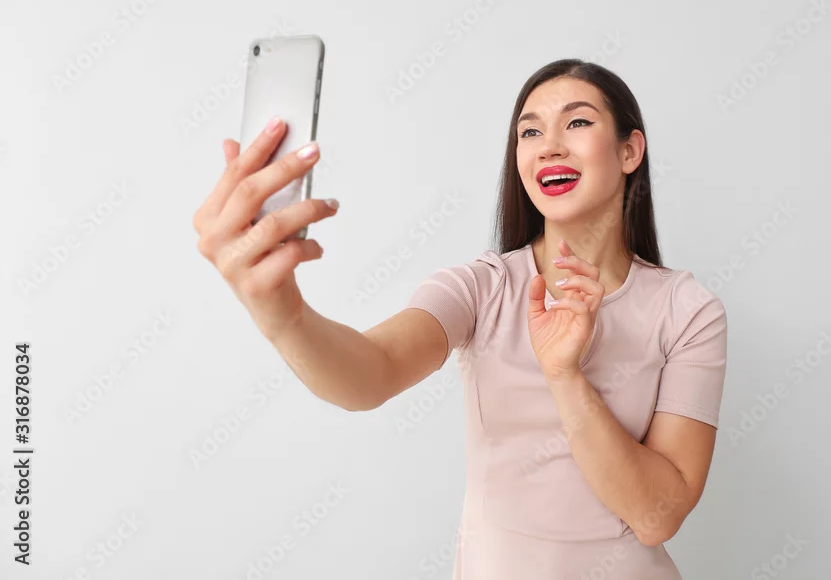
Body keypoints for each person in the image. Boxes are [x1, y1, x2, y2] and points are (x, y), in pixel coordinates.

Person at [193, 58, 728, 579]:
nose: (549, 146)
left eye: (578, 122)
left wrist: (565, 377)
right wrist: (282, 313)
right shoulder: (480, 288)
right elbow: (371, 372)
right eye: (530, 132)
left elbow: (657, 518)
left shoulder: (688, 311)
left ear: (630, 150)